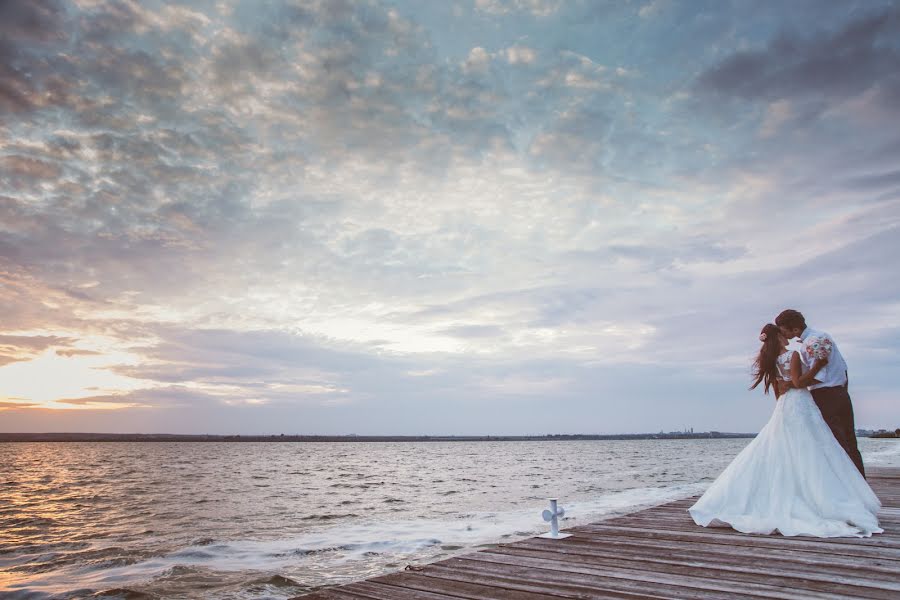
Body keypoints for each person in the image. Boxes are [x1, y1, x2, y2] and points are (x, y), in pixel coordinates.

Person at [688, 323, 881, 537]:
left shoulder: (771, 361)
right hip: (800, 402)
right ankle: (816, 497)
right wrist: (819, 365)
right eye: (783, 333)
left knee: (785, 448)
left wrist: (783, 404)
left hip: (785, 405)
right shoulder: (793, 355)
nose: (787, 336)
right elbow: (798, 382)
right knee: (811, 448)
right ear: (780, 335)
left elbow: (780, 389)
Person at [775, 309, 865, 477]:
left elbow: (819, 377)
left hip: (826, 396)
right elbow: (843, 368)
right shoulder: (821, 335)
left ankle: (850, 485)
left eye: (783, 329)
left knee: (836, 443)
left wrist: (794, 383)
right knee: (850, 442)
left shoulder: (811, 343)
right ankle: (860, 485)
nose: (782, 332)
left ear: (795, 329)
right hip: (840, 392)